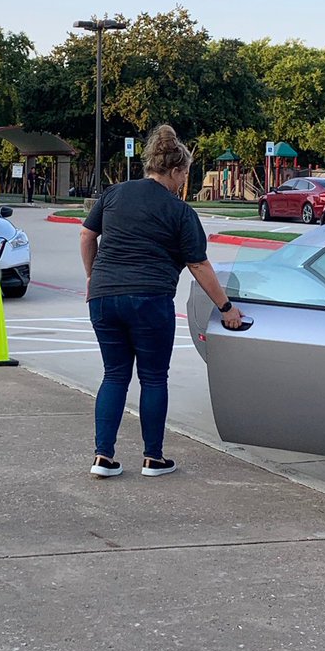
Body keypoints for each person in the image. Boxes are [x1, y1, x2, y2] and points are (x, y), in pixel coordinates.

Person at [80, 123, 244, 479]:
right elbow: (198, 264)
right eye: (184, 173)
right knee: (153, 378)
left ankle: (102, 458)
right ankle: (153, 459)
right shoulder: (180, 211)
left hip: (104, 299)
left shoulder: (115, 194)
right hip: (150, 300)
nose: (184, 180)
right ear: (173, 170)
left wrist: (93, 277)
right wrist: (226, 308)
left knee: (114, 375)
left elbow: (87, 234)